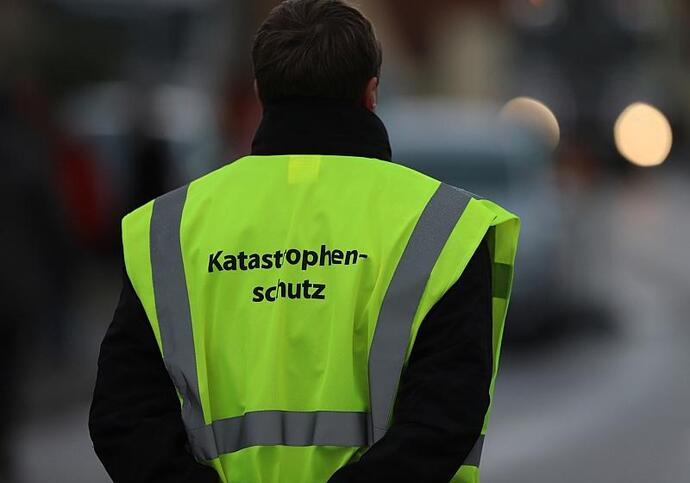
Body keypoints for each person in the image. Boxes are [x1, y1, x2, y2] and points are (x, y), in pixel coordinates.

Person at [89, 1, 520, 482]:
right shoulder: (444, 226)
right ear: (371, 92)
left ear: (260, 92)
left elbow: (124, 416)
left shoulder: (171, 226)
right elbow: (443, 419)